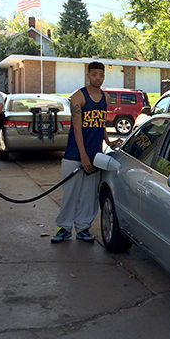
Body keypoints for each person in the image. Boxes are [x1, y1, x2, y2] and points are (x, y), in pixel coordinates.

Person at [51, 61, 121, 243]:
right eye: (94, 74)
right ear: (88, 75)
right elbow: (76, 128)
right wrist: (83, 156)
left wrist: (107, 141)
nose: (98, 78)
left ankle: (83, 228)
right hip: (75, 154)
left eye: (101, 75)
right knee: (71, 193)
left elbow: (101, 122)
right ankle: (64, 228)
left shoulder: (105, 98)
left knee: (89, 195)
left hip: (95, 155)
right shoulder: (78, 97)